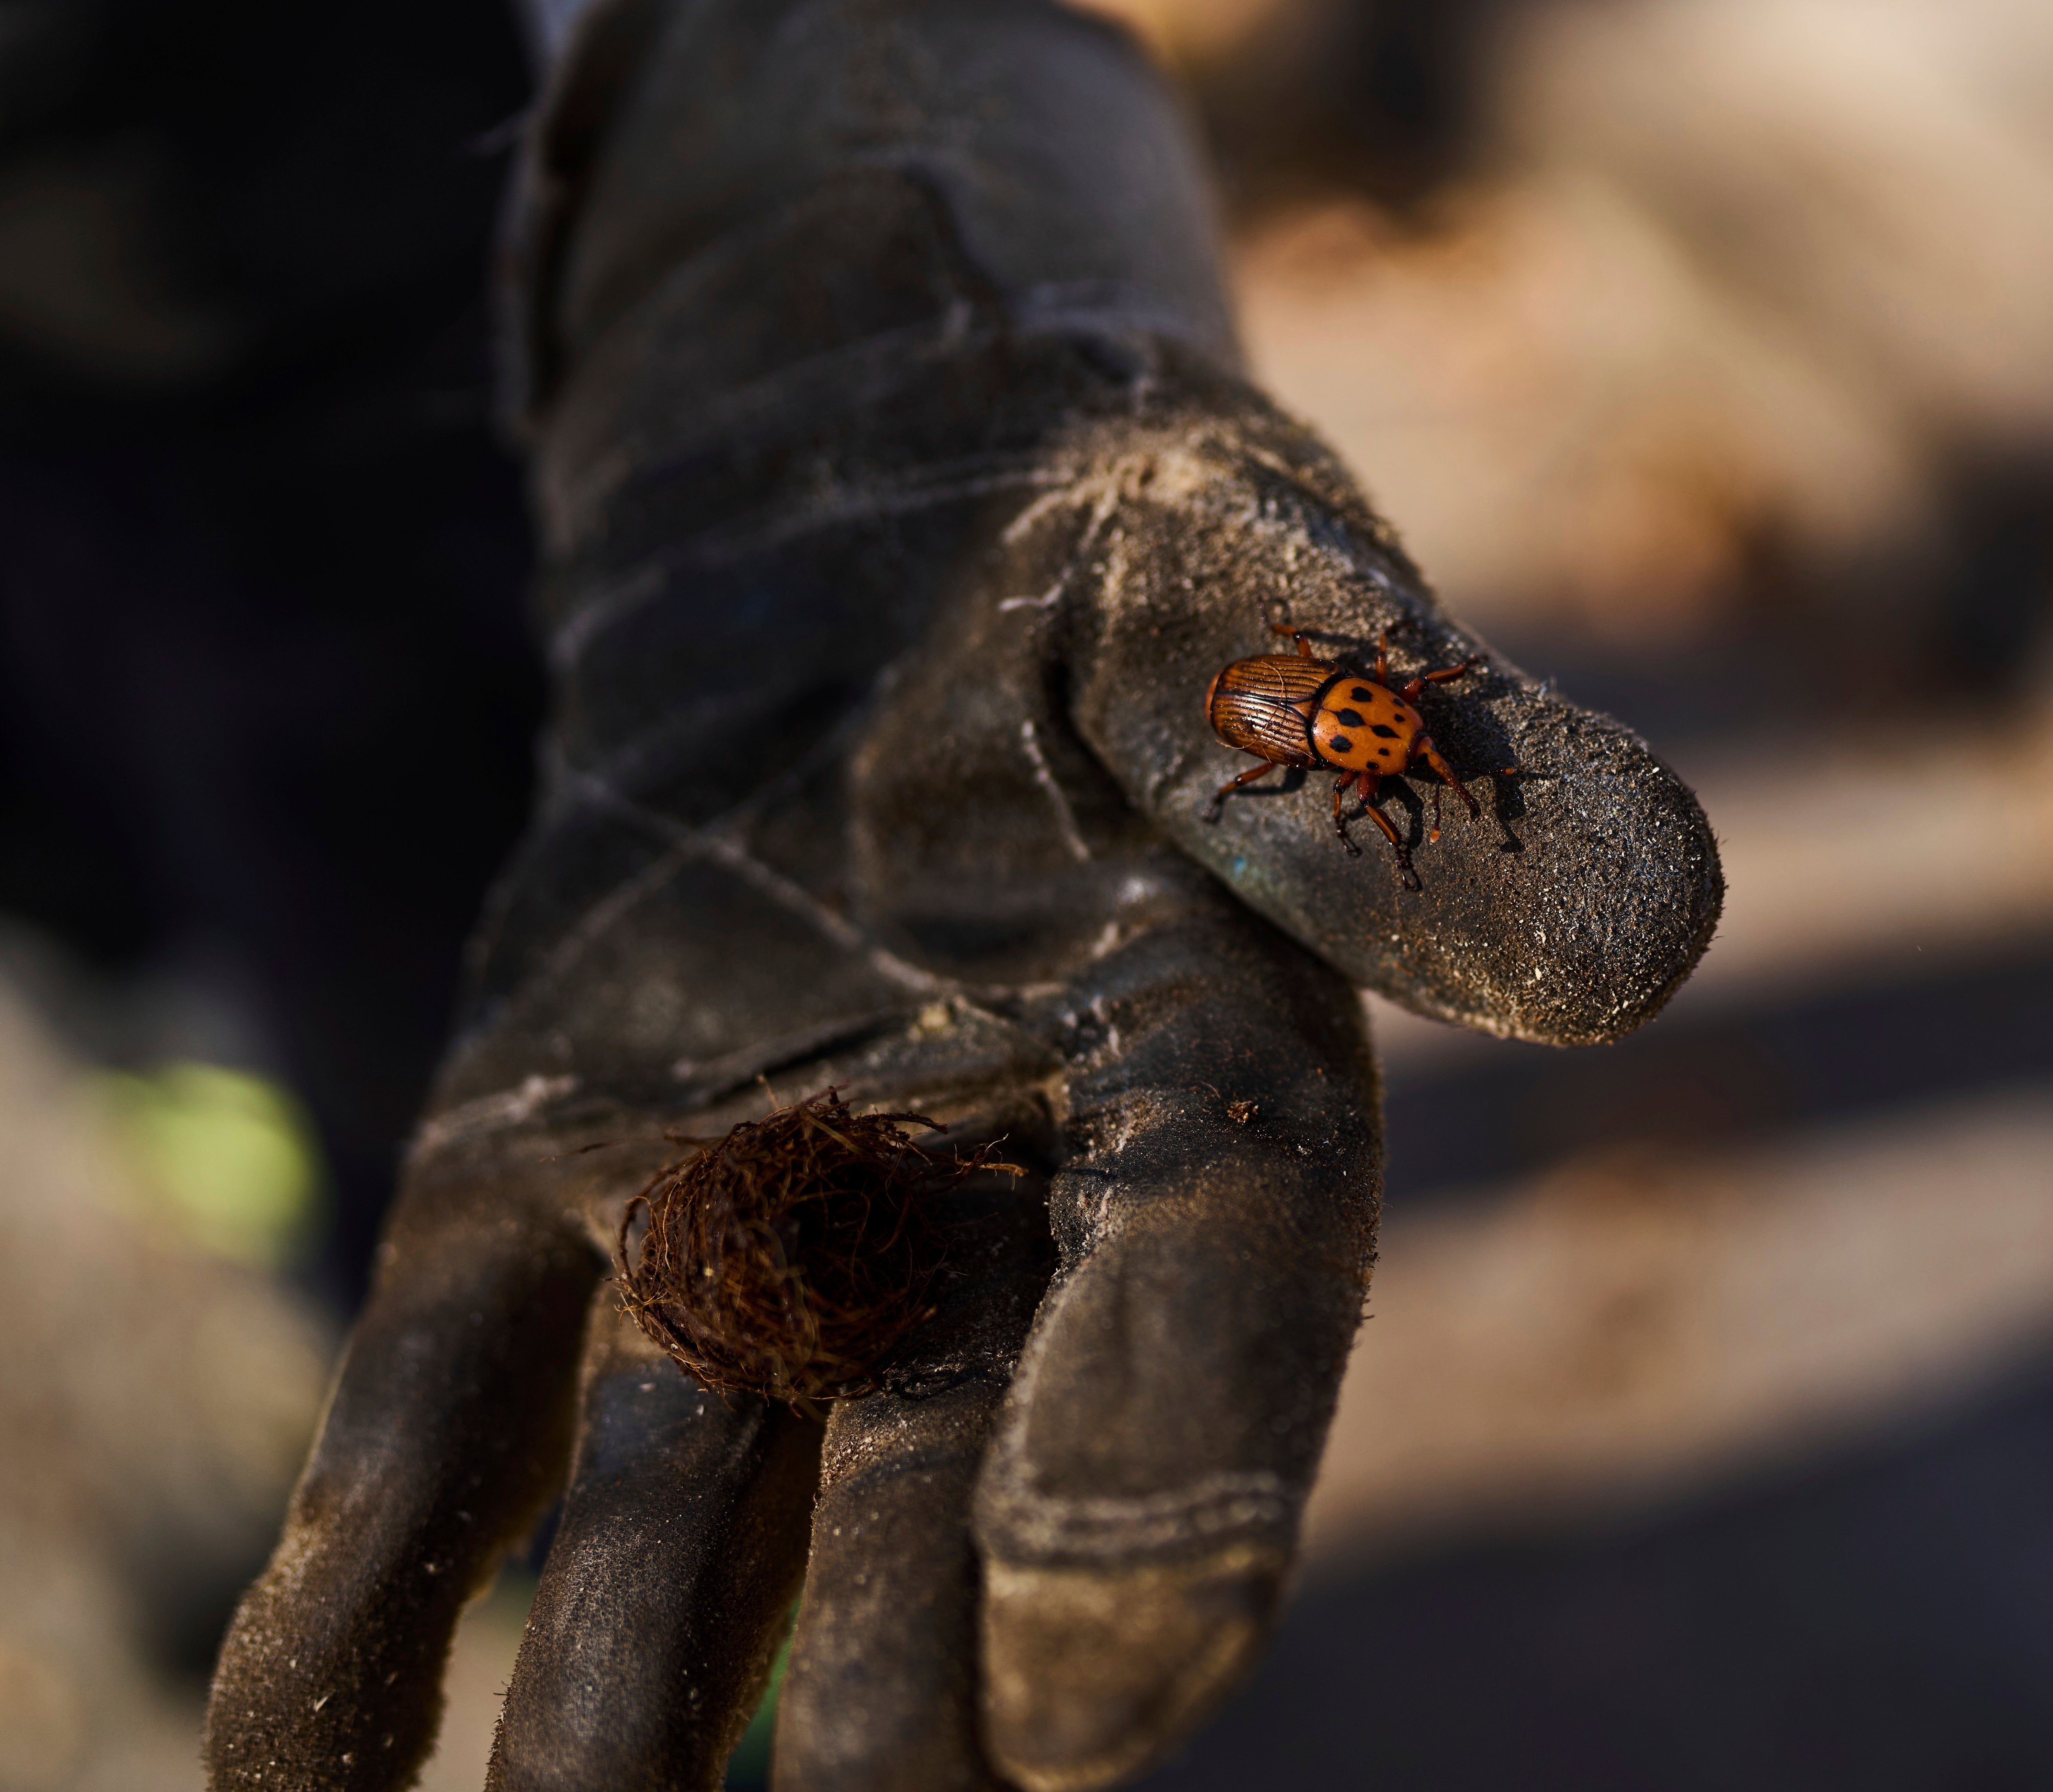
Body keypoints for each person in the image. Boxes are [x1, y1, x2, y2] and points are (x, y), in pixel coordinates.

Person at [197, 3, 1720, 1787]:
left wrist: (813, 130)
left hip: (459, 251)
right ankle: (207, 1060)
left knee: (419, 1002)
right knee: (334, 1013)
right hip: (74, 504)